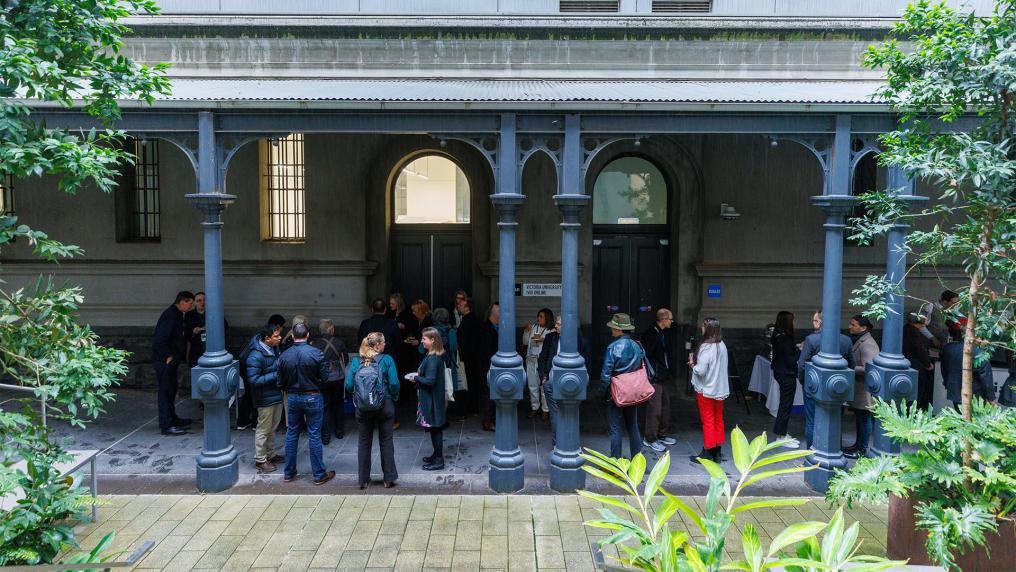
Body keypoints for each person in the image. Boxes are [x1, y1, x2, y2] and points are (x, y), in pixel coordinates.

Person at [276, 323, 336, 485]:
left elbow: (280, 382)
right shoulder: (316, 353)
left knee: (292, 433)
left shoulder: (284, 355)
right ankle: (318, 474)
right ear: (308, 335)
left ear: (293, 336)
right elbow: (325, 378)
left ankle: (289, 473)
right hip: (313, 395)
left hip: (293, 397)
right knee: (314, 434)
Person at [346, 332, 400, 489]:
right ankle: (388, 478)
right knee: (386, 440)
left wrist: (361, 396)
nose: (385, 345)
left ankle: (363, 479)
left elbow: (349, 385)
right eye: (383, 343)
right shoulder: (387, 360)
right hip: (385, 405)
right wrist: (393, 397)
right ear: (377, 345)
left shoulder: (357, 362)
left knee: (363, 442)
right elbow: (395, 383)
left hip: (363, 408)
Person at [797, 311, 855, 449]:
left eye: (816, 320)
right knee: (836, 420)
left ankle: (811, 452)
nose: (814, 323)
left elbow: (801, 365)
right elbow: (851, 365)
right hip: (837, 387)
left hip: (813, 386)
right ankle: (835, 449)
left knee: (812, 421)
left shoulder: (811, 340)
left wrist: (803, 382)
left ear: (822, 323)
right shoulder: (846, 340)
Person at [599, 313, 646, 460]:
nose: (611, 329)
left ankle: (615, 464)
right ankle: (637, 462)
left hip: (616, 393)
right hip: (633, 391)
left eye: (613, 327)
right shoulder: (637, 345)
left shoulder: (612, 347)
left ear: (619, 330)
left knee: (615, 429)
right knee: (633, 427)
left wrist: (602, 393)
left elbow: (606, 375)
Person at [151, 291, 195, 436]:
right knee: (166, 392)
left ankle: (172, 419)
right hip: (165, 361)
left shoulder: (175, 314)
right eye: (190, 303)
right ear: (183, 302)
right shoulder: (171, 315)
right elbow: (160, 339)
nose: (191, 306)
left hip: (169, 360)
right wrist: (168, 356)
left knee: (171, 390)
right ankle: (167, 424)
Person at [688, 318, 729, 463]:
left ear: (709, 329)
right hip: (719, 389)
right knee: (718, 419)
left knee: (708, 421)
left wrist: (692, 364)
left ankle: (707, 452)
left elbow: (701, 370)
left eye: (704, 326)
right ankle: (717, 450)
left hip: (706, 389)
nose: (701, 328)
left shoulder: (706, 347)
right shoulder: (721, 345)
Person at [246, 326, 284, 473]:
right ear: (267, 339)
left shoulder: (274, 349)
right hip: (265, 398)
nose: (280, 338)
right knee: (263, 428)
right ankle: (260, 459)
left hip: (275, 394)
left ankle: (270, 454)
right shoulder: (255, 356)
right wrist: (277, 375)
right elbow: (253, 380)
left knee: (273, 427)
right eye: (276, 336)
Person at [844, 315, 879, 459]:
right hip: (860, 388)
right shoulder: (860, 339)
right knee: (860, 419)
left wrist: (849, 368)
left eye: (853, 324)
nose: (850, 326)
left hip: (864, 390)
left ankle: (862, 449)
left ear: (863, 328)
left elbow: (868, 368)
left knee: (864, 420)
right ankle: (858, 445)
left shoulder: (867, 343)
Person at [641, 308, 676, 453]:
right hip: (655, 377)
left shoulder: (661, 333)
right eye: (670, 319)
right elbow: (646, 357)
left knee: (665, 406)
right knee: (654, 409)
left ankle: (661, 434)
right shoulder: (651, 334)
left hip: (662, 376)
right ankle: (650, 438)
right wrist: (654, 373)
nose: (672, 322)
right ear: (663, 319)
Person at [415, 327, 448, 470]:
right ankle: (436, 455)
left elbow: (430, 381)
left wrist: (416, 378)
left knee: (435, 430)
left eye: (424, 339)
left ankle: (439, 460)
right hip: (433, 400)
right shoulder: (433, 356)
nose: (422, 341)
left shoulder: (433, 359)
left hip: (432, 401)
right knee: (435, 430)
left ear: (433, 340)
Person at [312, 318, 349, 444]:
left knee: (325, 406)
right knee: (338, 404)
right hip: (338, 377)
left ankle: (326, 436)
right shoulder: (339, 342)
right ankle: (339, 432)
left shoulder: (316, 344)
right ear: (331, 329)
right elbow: (346, 359)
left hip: (323, 378)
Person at [940, 330, 996, 408]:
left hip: (955, 392)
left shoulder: (948, 348)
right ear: (977, 337)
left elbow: (944, 369)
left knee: (959, 417)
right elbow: (986, 379)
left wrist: (947, 384)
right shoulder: (980, 353)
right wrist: (991, 398)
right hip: (975, 395)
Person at [770, 311, 800, 448]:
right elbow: (791, 360)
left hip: (779, 372)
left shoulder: (777, 335)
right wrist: (800, 350)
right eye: (793, 320)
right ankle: (780, 435)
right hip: (787, 374)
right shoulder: (786, 338)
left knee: (784, 404)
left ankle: (782, 433)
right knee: (785, 405)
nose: (794, 322)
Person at [523, 308, 553, 421]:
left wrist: (543, 340)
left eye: (541, 317)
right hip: (531, 359)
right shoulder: (534, 327)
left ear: (547, 318)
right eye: (538, 316)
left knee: (543, 386)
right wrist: (526, 331)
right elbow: (525, 342)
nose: (538, 319)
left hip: (542, 362)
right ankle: (535, 407)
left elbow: (551, 346)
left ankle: (545, 410)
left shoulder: (551, 331)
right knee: (532, 385)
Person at [902, 312, 935, 410]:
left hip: (907, 363)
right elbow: (920, 350)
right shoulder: (914, 333)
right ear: (918, 323)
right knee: (918, 392)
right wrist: (928, 364)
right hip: (916, 365)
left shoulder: (905, 329)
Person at [456, 298, 482, 416]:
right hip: (473, 357)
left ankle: (470, 407)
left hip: (467, 357)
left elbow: (464, 341)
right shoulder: (472, 319)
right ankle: (473, 407)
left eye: (461, 305)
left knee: (469, 382)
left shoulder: (468, 320)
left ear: (467, 307)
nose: (459, 306)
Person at [477, 303, 500, 431]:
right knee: (489, 395)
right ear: (493, 312)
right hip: (489, 366)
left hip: (496, 366)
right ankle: (488, 421)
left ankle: (492, 419)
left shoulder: (498, 327)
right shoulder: (486, 328)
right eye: (499, 309)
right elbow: (485, 351)